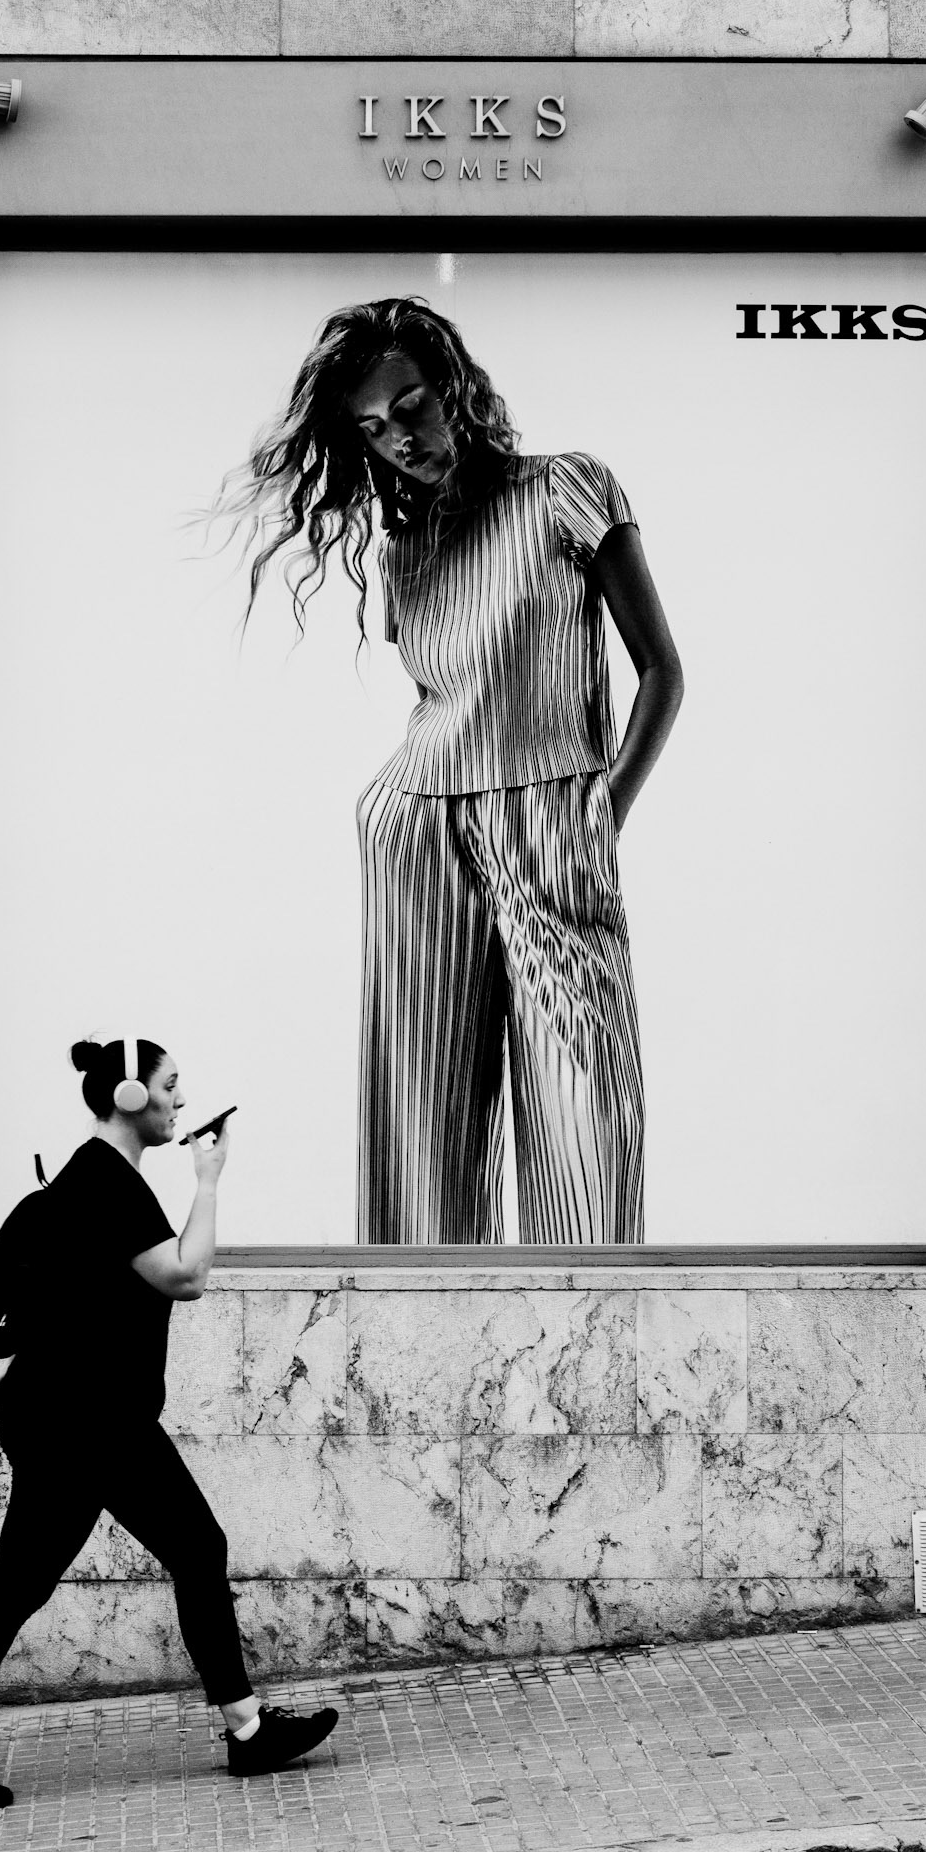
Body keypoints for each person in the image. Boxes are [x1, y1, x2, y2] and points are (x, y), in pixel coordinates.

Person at [220, 297, 684, 1244]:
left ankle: (584, 1373)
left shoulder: (568, 488)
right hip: (415, 826)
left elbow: (662, 674)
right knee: (419, 1140)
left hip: (554, 818)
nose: (399, 438)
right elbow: (440, 696)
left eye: (412, 404)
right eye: (372, 428)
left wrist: (602, 812)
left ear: (454, 384)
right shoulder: (404, 549)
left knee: (586, 1130)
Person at [0, 1035, 338, 1811]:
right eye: (172, 1086)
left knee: (28, 1585)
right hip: (90, 1423)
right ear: (131, 1096)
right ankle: (244, 1732)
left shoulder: (91, 1178)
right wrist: (208, 1180)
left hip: (71, 1418)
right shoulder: (108, 1183)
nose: (181, 1102)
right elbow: (185, 1277)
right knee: (180, 1551)